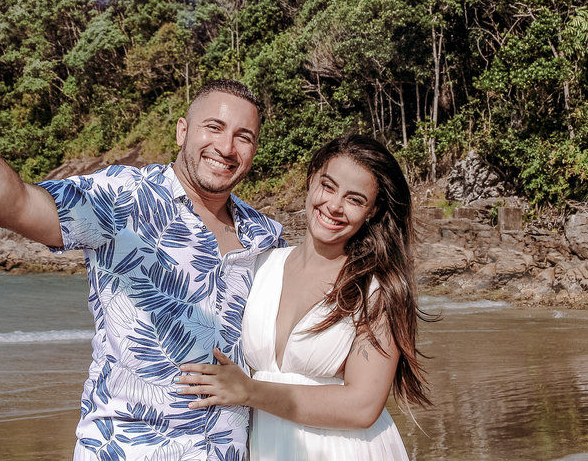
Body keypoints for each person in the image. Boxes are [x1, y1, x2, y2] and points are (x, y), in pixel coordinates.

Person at [0, 58, 284, 461]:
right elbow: (16, 206)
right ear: (182, 131)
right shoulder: (121, 196)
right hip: (125, 448)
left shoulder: (265, 235)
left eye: (243, 137)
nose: (226, 147)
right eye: (213, 127)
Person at [174, 134, 430, 460]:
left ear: (373, 210)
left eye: (354, 199)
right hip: (266, 446)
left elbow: (363, 406)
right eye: (328, 186)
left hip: (343, 450)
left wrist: (249, 391)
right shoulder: (259, 264)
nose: (334, 206)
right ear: (311, 181)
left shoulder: (377, 290)